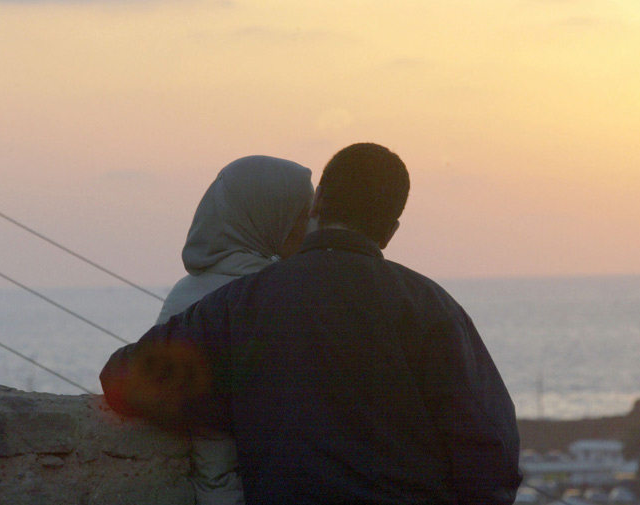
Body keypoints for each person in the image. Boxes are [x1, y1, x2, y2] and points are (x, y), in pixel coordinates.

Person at [101, 143, 522, 504]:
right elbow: (491, 446)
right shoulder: (433, 309)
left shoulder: (240, 304)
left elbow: (123, 378)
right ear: (390, 231)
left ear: (318, 201)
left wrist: (230, 398)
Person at [157, 155, 314, 505]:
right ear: (267, 219)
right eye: (300, 216)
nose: (308, 229)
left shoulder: (192, 292)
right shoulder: (260, 295)